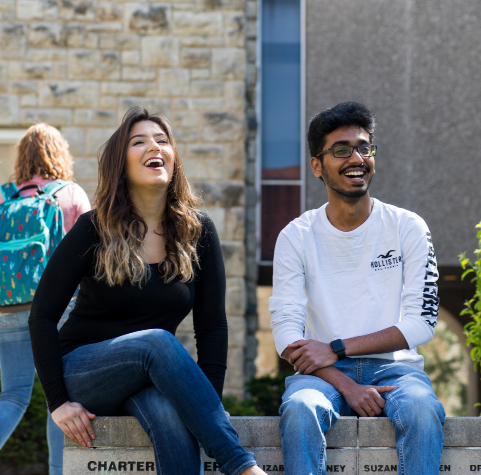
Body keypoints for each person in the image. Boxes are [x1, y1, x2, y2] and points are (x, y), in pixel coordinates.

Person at [28, 107, 267, 475]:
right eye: (138, 141)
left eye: (162, 140)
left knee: (170, 419)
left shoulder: (197, 231)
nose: (154, 146)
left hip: (149, 375)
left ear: (173, 157)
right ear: (120, 163)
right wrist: (57, 401)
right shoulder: (96, 228)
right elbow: (42, 314)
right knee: (155, 342)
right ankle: (243, 468)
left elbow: (212, 326)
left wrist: (205, 405)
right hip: (84, 372)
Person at [270, 102, 445, 475]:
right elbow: (286, 332)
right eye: (341, 150)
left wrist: (336, 348)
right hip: (322, 376)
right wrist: (345, 383)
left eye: (364, 147)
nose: (357, 158)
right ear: (317, 165)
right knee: (300, 410)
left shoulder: (407, 227)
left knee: (422, 409)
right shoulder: (296, 236)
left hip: (396, 371)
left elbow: (421, 323)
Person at [0, 124, 91, 475]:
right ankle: (57, 471)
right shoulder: (71, 193)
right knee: (59, 396)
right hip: (58, 308)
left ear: (22, 156)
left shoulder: (1, 196)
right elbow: (93, 254)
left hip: (8, 305)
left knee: (13, 394)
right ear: (60, 154)